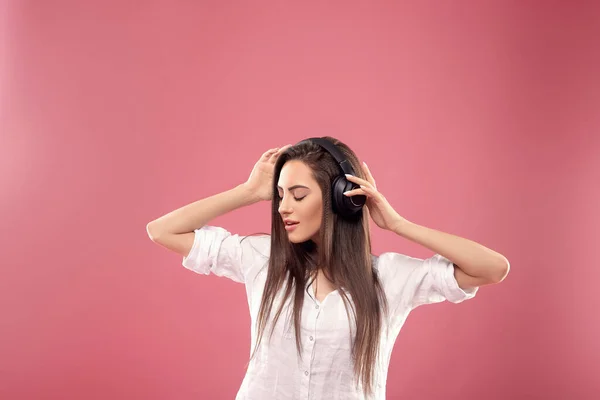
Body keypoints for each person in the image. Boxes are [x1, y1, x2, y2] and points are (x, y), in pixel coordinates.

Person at [146, 136, 510, 399]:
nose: (282, 207)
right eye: (280, 195)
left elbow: (492, 268)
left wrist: (398, 224)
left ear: (341, 199)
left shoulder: (389, 279)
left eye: (299, 195)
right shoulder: (262, 259)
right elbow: (162, 230)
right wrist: (248, 191)